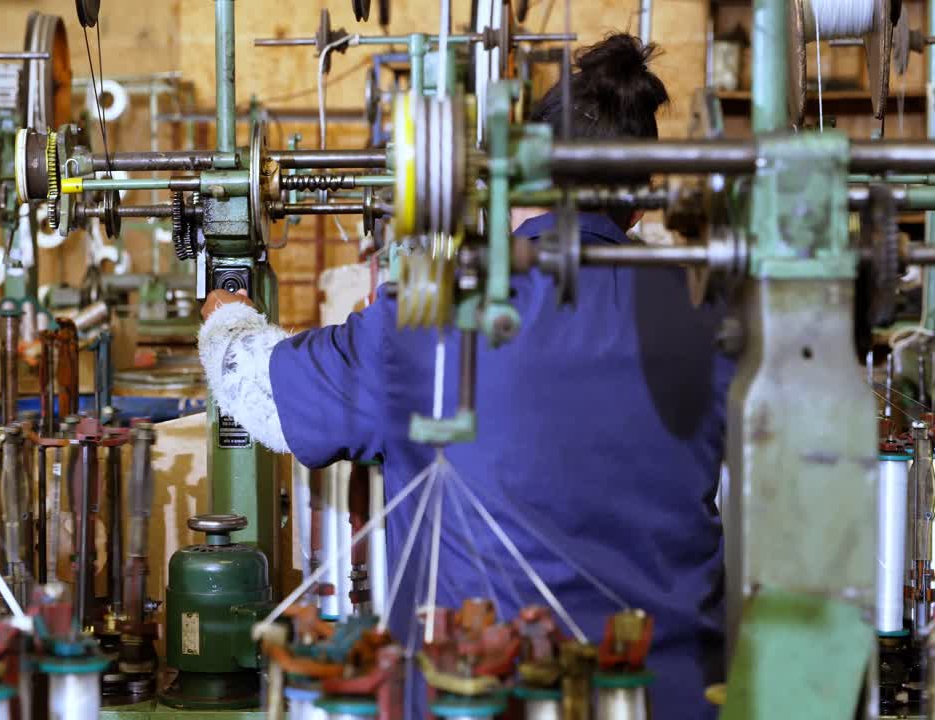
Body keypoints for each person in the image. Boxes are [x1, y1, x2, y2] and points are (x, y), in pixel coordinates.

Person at [198, 33, 732, 719]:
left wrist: (228, 321)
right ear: (640, 204)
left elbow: (267, 397)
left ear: (509, 180)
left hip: (491, 695)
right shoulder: (701, 309)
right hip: (675, 697)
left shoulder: (437, 300)